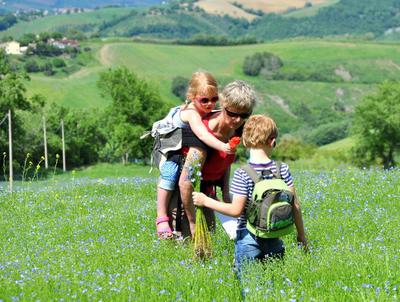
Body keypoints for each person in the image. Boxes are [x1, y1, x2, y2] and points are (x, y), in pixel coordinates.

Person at [192, 114, 308, 275]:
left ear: (245, 142)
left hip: (248, 239)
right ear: (272, 141)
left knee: (249, 285)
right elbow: (295, 204)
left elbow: (235, 211)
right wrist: (301, 236)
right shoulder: (283, 169)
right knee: (273, 283)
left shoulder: (243, 173)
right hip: (275, 237)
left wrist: (205, 201)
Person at [156, 71, 234, 239]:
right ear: (192, 97)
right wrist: (223, 146)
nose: (210, 104)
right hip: (173, 151)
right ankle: (161, 216)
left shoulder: (207, 110)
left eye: (214, 99)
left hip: (186, 153)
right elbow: (203, 135)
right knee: (169, 177)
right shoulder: (192, 113)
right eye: (204, 100)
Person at [177, 80, 257, 237]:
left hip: (206, 193)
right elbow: (185, 183)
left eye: (244, 115)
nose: (238, 120)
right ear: (223, 105)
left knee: (209, 235)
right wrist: (192, 222)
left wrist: (226, 191)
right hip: (184, 198)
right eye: (233, 114)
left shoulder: (236, 131)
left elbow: (224, 161)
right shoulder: (203, 135)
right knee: (187, 243)